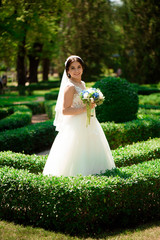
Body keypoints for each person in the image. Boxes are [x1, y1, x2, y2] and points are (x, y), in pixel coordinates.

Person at [43, 55, 115, 177]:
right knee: (76, 152)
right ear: (68, 72)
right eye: (73, 68)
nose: (76, 71)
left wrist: (93, 102)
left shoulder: (82, 83)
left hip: (90, 122)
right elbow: (65, 110)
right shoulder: (70, 87)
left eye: (79, 67)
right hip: (75, 125)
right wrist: (84, 108)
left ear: (82, 68)